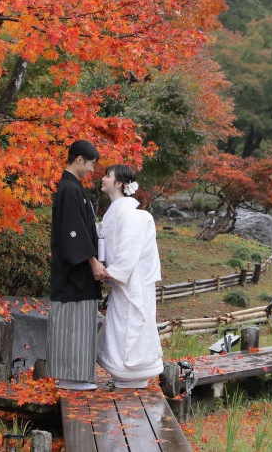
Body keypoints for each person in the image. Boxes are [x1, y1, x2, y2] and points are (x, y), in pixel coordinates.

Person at [47, 140, 108, 391]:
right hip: (74, 271)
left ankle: (73, 376)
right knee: (72, 323)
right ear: (79, 159)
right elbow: (74, 232)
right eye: (92, 164)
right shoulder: (69, 188)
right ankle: (71, 377)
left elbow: (84, 229)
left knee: (76, 322)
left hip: (76, 268)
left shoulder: (72, 187)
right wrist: (93, 261)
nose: (93, 169)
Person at [96, 164, 163, 388]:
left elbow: (128, 253)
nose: (102, 178)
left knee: (132, 326)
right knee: (119, 327)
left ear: (118, 184)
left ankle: (134, 371)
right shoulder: (114, 214)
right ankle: (123, 372)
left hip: (134, 284)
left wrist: (108, 273)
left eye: (107, 175)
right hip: (120, 284)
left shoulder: (136, 217)